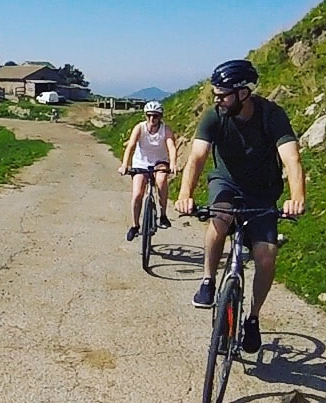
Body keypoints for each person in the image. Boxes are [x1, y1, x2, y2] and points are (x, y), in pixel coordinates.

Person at [174, 59, 306, 354]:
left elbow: (292, 158)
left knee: (267, 256)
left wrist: (296, 197)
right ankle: (208, 280)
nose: (217, 100)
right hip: (227, 183)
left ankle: (253, 318)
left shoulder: (271, 115)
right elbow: (197, 158)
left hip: (262, 192)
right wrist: (185, 194)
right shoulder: (214, 116)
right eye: (216, 94)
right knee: (220, 219)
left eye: (223, 95)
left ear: (243, 93)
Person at [118, 101, 177, 241]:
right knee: (137, 194)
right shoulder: (140, 128)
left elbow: (171, 147)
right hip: (141, 163)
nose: (152, 119)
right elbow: (131, 146)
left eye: (155, 116)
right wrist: (125, 164)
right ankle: (135, 226)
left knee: (161, 181)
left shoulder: (166, 130)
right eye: (149, 115)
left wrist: (173, 163)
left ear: (160, 117)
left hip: (159, 162)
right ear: (145, 115)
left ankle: (163, 215)